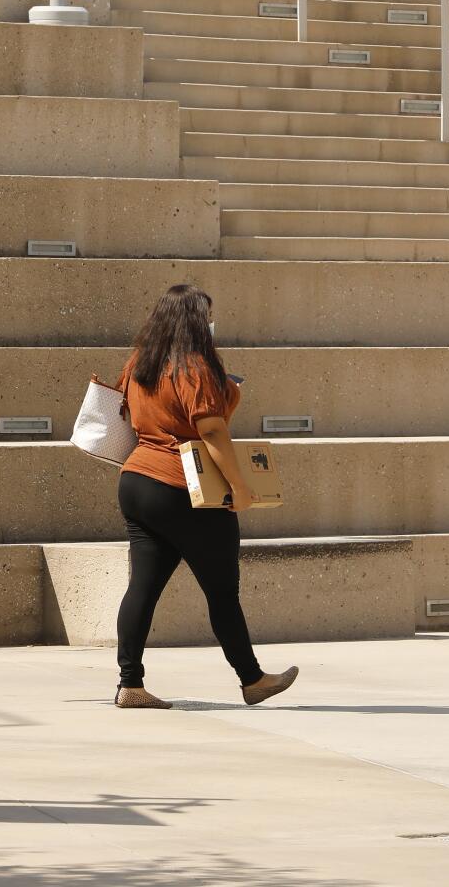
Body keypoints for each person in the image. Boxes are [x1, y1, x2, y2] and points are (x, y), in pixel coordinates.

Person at [112, 283, 299, 709]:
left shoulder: (139, 361)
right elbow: (211, 429)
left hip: (137, 481)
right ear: (198, 321)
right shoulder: (194, 366)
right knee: (221, 591)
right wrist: (239, 487)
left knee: (142, 586)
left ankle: (131, 684)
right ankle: (252, 680)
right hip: (183, 485)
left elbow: (130, 412)